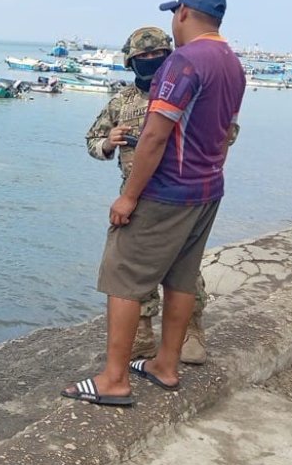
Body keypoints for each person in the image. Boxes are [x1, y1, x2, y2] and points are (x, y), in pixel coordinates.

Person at [63, 0, 246, 405]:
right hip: (206, 189)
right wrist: (110, 142)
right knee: (181, 277)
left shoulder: (183, 64)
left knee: (123, 278)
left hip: (164, 191)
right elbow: (222, 135)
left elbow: (155, 138)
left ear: (182, 13)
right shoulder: (231, 62)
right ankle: (166, 365)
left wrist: (128, 197)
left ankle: (113, 381)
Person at [85, 26, 231, 364]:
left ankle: (193, 329)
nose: (150, 61)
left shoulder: (188, 90)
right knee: (135, 270)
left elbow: (224, 135)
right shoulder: (121, 102)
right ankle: (142, 332)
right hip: (136, 191)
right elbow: (92, 141)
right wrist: (109, 143)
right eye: (143, 57)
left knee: (183, 267)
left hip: (180, 191)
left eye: (157, 56)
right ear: (130, 61)